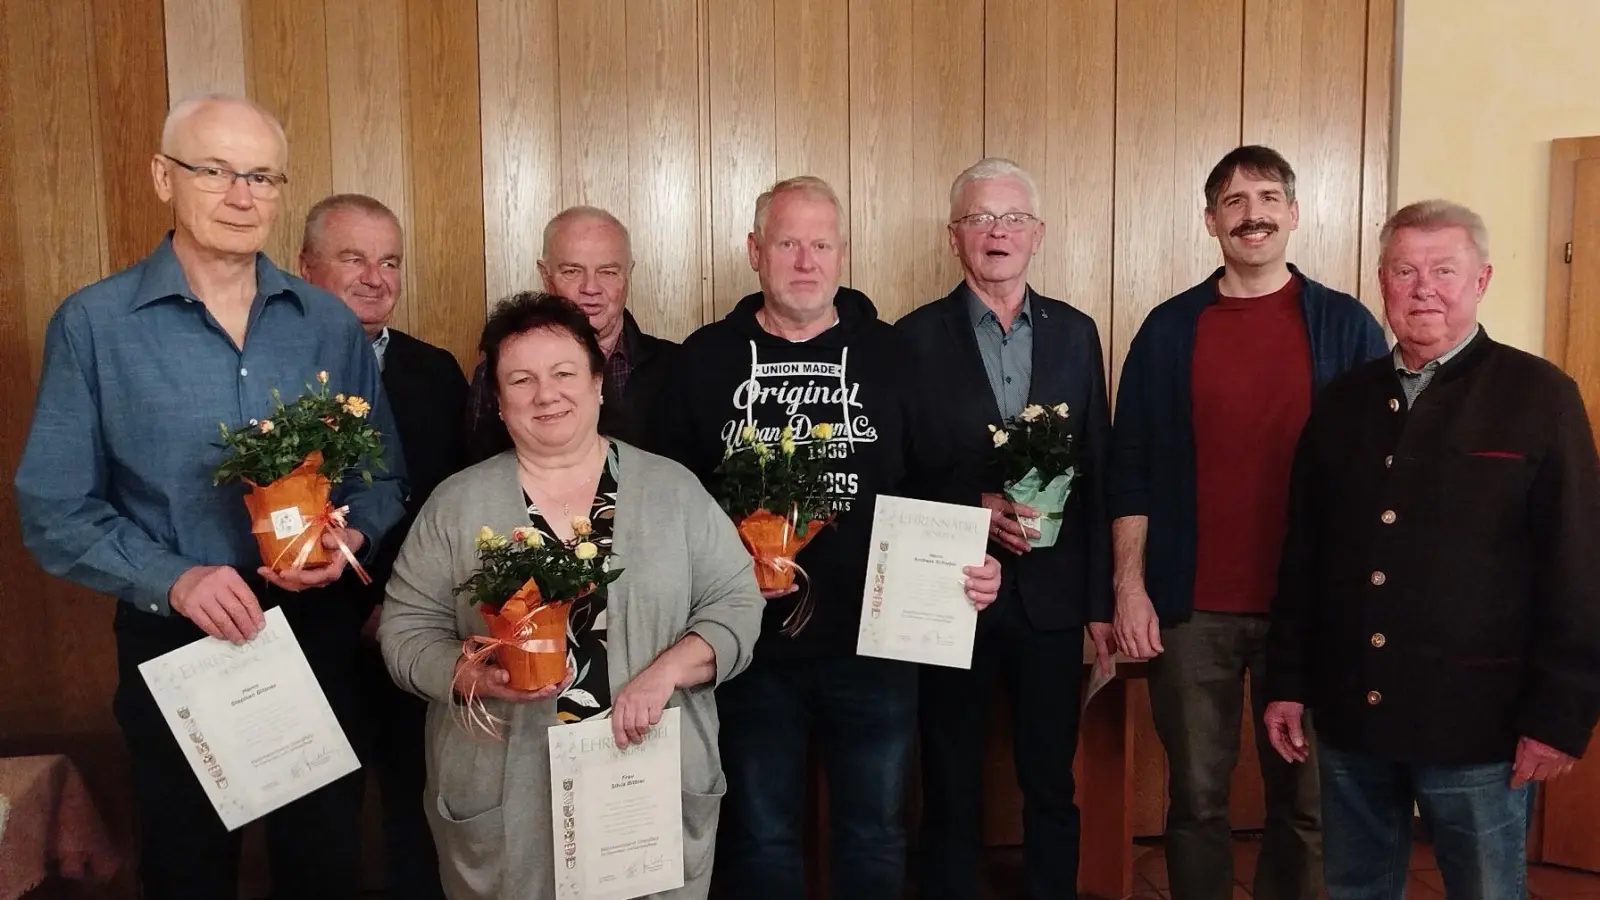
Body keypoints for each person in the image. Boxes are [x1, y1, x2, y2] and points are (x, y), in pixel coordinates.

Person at [13, 94, 407, 898]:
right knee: (188, 867)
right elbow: (54, 508)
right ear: (164, 177)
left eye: (261, 177)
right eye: (215, 171)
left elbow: (383, 477)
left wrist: (351, 540)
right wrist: (175, 578)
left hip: (313, 637)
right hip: (175, 644)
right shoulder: (94, 325)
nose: (240, 195)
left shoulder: (328, 323)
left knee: (324, 862)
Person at [643, 175, 1003, 900]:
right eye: (787, 243)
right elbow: (667, 498)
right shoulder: (702, 361)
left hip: (876, 642)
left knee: (874, 833)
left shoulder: (897, 356)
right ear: (754, 252)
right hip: (743, 645)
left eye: (820, 244)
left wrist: (975, 562)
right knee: (761, 834)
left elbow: (946, 481)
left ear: (841, 254)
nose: (804, 261)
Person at [1263, 200, 1600, 900]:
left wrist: (1558, 717)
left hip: (1481, 719)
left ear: (1481, 279)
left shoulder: (1541, 396)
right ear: (1381, 282)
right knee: (1356, 887)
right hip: (1354, 708)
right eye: (1405, 270)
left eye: (1444, 270)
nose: (1424, 288)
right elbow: (1305, 558)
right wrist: (1288, 682)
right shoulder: (1343, 402)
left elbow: (1578, 567)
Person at [379, 291, 764, 898]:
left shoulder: (673, 490)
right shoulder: (457, 504)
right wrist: (473, 674)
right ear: (500, 404)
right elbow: (403, 632)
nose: (545, 394)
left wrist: (663, 674)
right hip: (505, 795)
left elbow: (737, 606)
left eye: (563, 373)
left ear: (598, 383)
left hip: (644, 783)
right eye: (521, 380)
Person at [1108, 145, 1387, 900]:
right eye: (1233, 202)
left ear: (1293, 215)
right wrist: (1128, 588)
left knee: (1307, 804)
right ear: (1210, 221)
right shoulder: (1168, 331)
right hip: (1189, 609)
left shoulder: (1347, 326)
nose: (1252, 214)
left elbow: (1381, 470)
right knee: (1196, 800)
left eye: (1267, 198)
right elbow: (1128, 466)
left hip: (1313, 613)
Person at [895, 157, 1113, 899]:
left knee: (1050, 780)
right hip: (950, 592)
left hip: (1052, 603)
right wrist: (972, 509)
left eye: (1013, 219)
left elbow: (1096, 467)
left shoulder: (1079, 334)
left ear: (1038, 234)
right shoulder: (912, 339)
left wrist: (1100, 604)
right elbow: (896, 475)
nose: (998, 232)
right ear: (954, 236)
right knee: (950, 782)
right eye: (981, 219)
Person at [299, 192, 467, 900]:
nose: (376, 276)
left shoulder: (436, 372)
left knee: (418, 814)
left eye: (390, 260)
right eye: (353, 258)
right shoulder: (266, 370)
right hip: (300, 633)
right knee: (313, 824)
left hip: (413, 630)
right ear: (305, 268)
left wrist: (399, 608)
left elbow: (453, 504)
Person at [463, 205, 675, 461]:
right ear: (545, 275)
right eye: (572, 271)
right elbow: (476, 474)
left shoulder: (676, 366)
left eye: (607, 272)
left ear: (627, 275)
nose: (591, 288)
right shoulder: (500, 371)